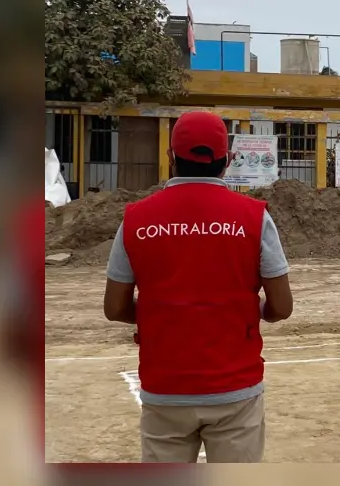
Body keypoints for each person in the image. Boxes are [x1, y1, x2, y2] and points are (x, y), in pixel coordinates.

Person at [103, 111, 293, 463]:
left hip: (165, 388)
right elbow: (281, 307)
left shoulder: (136, 219)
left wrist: (162, 312)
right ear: (228, 160)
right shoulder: (254, 217)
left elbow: (115, 308)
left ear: (170, 156)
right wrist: (251, 311)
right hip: (235, 388)